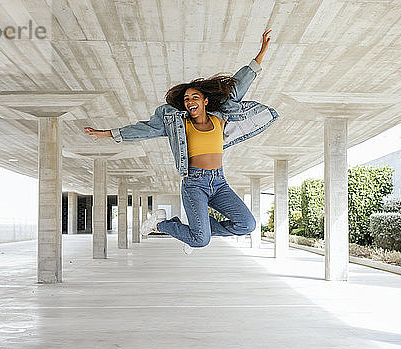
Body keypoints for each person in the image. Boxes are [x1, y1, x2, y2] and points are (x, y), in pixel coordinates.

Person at [85, 29, 278, 254]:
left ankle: (191, 231)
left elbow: (238, 84)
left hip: (219, 182)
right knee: (201, 240)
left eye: (194, 97)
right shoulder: (177, 122)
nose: (189, 101)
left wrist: (261, 52)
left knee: (247, 224)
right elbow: (145, 129)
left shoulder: (220, 117)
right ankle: (162, 225)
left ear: (205, 101)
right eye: (186, 99)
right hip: (194, 184)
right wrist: (109, 133)